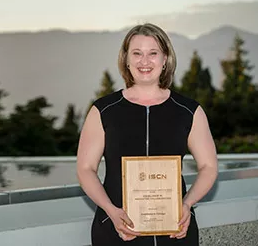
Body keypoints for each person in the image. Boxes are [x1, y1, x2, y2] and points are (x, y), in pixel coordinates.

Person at [76, 23, 218, 245]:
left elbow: (209, 167)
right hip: (116, 231)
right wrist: (111, 211)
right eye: (137, 53)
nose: (145, 61)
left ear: (165, 60)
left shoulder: (189, 111)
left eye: (153, 53)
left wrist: (187, 204)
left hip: (175, 232)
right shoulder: (103, 110)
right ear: (126, 60)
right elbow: (86, 169)